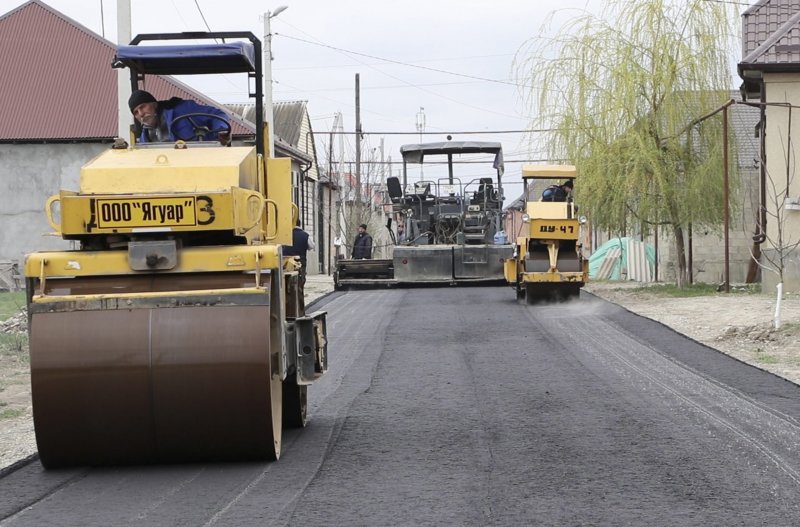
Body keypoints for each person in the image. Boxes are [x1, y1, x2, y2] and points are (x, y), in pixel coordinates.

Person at [128, 89, 231, 145]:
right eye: (136, 112)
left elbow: (218, 115)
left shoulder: (182, 109)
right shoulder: (144, 138)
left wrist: (220, 131)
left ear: (154, 104)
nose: (141, 114)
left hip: (198, 160)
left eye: (143, 107)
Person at [283, 219, 315, 293]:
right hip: (300, 262)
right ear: (300, 224)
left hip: (286, 263)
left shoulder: (285, 235)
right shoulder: (305, 235)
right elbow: (312, 246)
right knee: (300, 282)